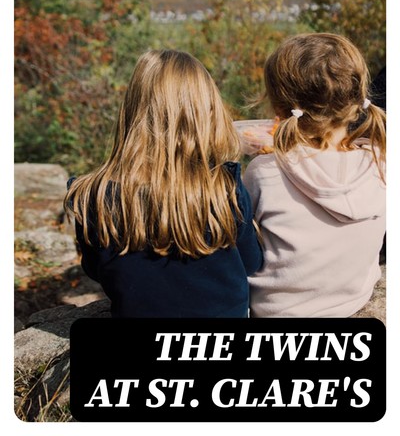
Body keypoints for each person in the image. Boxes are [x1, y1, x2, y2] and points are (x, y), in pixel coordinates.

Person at [65, 49, 263, 318]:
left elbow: (95, 270)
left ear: (132, 111)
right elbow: (251, 263)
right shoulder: (223, 188)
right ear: (206, 112)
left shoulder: (92, 196)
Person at [243, 33, 386, 318]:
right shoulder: (381, 165)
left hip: (276, 313)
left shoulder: (263, 173)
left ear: (279, 108)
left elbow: (244, 246)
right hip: (352, 302)